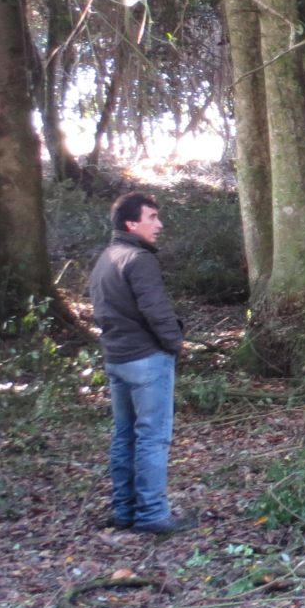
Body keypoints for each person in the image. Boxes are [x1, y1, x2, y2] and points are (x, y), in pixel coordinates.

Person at [89, 192, 195, 534]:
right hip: (146, 361)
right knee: (152, 438)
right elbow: (156, 309)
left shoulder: (108, 257)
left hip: (117, 359)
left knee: (125, 436)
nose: (159, 224)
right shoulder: (138, 259)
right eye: (152, 217)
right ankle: (151, 515)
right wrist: (175, 344)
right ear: (131, 224)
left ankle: (124, 510)